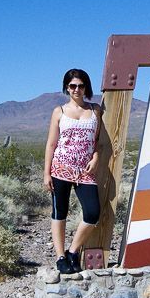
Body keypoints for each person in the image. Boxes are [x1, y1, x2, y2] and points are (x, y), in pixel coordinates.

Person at [44, 68, 102, 274]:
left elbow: (97, 142)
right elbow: (51, 144)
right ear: (66, 88)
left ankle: (73, 251)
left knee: (93, 212)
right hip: (60, 169)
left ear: (86, 87)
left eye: (81, 85)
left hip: (85, 172)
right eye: (72, 86)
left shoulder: (95, 110)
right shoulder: (59, 111)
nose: (77, 89)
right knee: (60, 211)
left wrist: (95, 158)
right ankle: (60, 257)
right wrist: (46, 173)